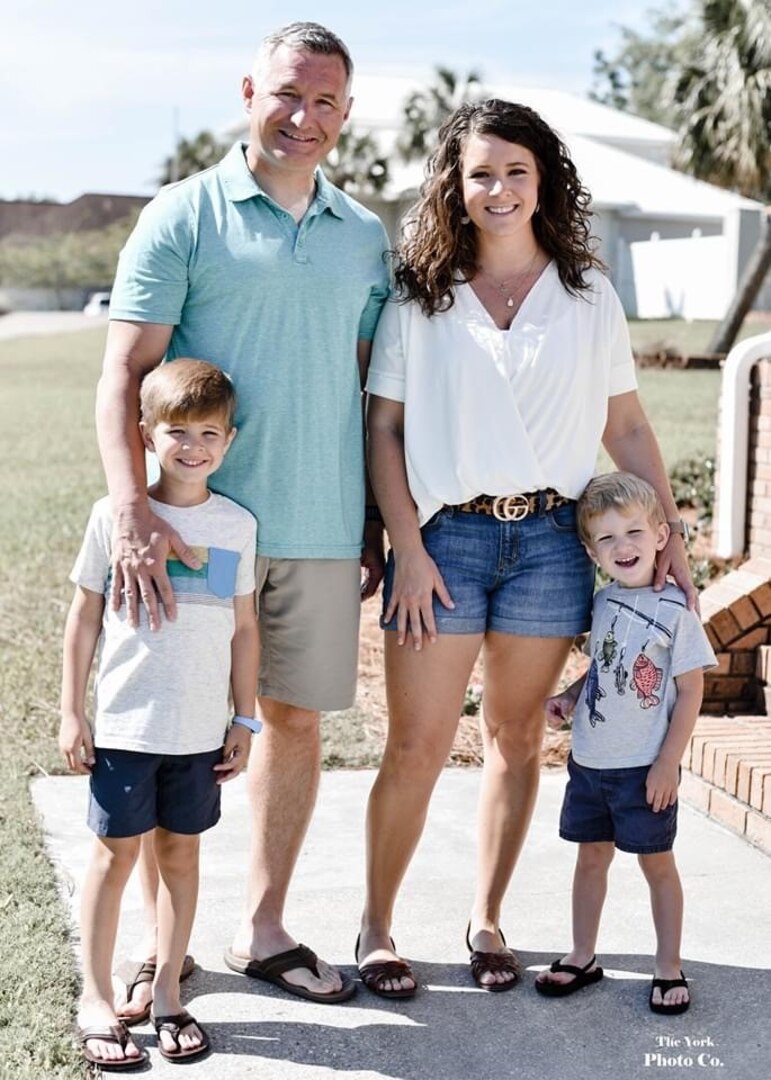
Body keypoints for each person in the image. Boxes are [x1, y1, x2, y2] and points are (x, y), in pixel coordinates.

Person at [358, 98, 697, 998]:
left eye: (515, 170)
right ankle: (377, 926)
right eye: (480, 173)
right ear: (454, 186)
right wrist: (407, 548)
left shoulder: (586, 293)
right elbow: (383, 429)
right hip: (446, 543)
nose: (498, 188)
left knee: (513, 738)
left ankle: (487, 918)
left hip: (553, 541)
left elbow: (624, 427)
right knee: (418, 744)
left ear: (541, 179)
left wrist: (670, 541)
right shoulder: (419, 296)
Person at [97, 21, 390, 1015]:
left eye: (325, 103)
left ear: (346, 116)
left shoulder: (364, 236)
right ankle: (159, 946)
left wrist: (376, 523)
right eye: (287, 95)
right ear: (249, 91)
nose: (303, 118)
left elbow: (366, 387)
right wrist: (134, 508)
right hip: (189, 530)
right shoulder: (181, 216)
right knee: (174, 727)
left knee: (293, 723)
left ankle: (262, 926)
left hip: (316, 525)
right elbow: (124, 375)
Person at [60, 359, 259, 1068]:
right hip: (125, 725)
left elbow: (242, 629)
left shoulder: (236, 528)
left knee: (180, 854)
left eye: (209, 432)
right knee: (113, 858)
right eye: (177, 431)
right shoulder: (111, 519)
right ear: (145, 433)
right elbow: (83, 621)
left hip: (200, 732)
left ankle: (171, 992)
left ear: (230, 440)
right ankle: (97, 996)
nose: (193, 446)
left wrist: (246, 720)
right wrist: (71, 713)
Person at [535, 472, 715, 1013]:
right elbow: (602, 668)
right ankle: (583, 955)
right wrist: (569, 696)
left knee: (657, 864)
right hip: (590, 763)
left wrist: (668, 765)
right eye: (607, 539)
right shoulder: (605, 602)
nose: (623, 547)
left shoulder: (675, 611)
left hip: (644, 769)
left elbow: (690, 695)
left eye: (634, 532)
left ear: (662, 535)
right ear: (591, 552)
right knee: (590, 860)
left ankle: (667, 965)